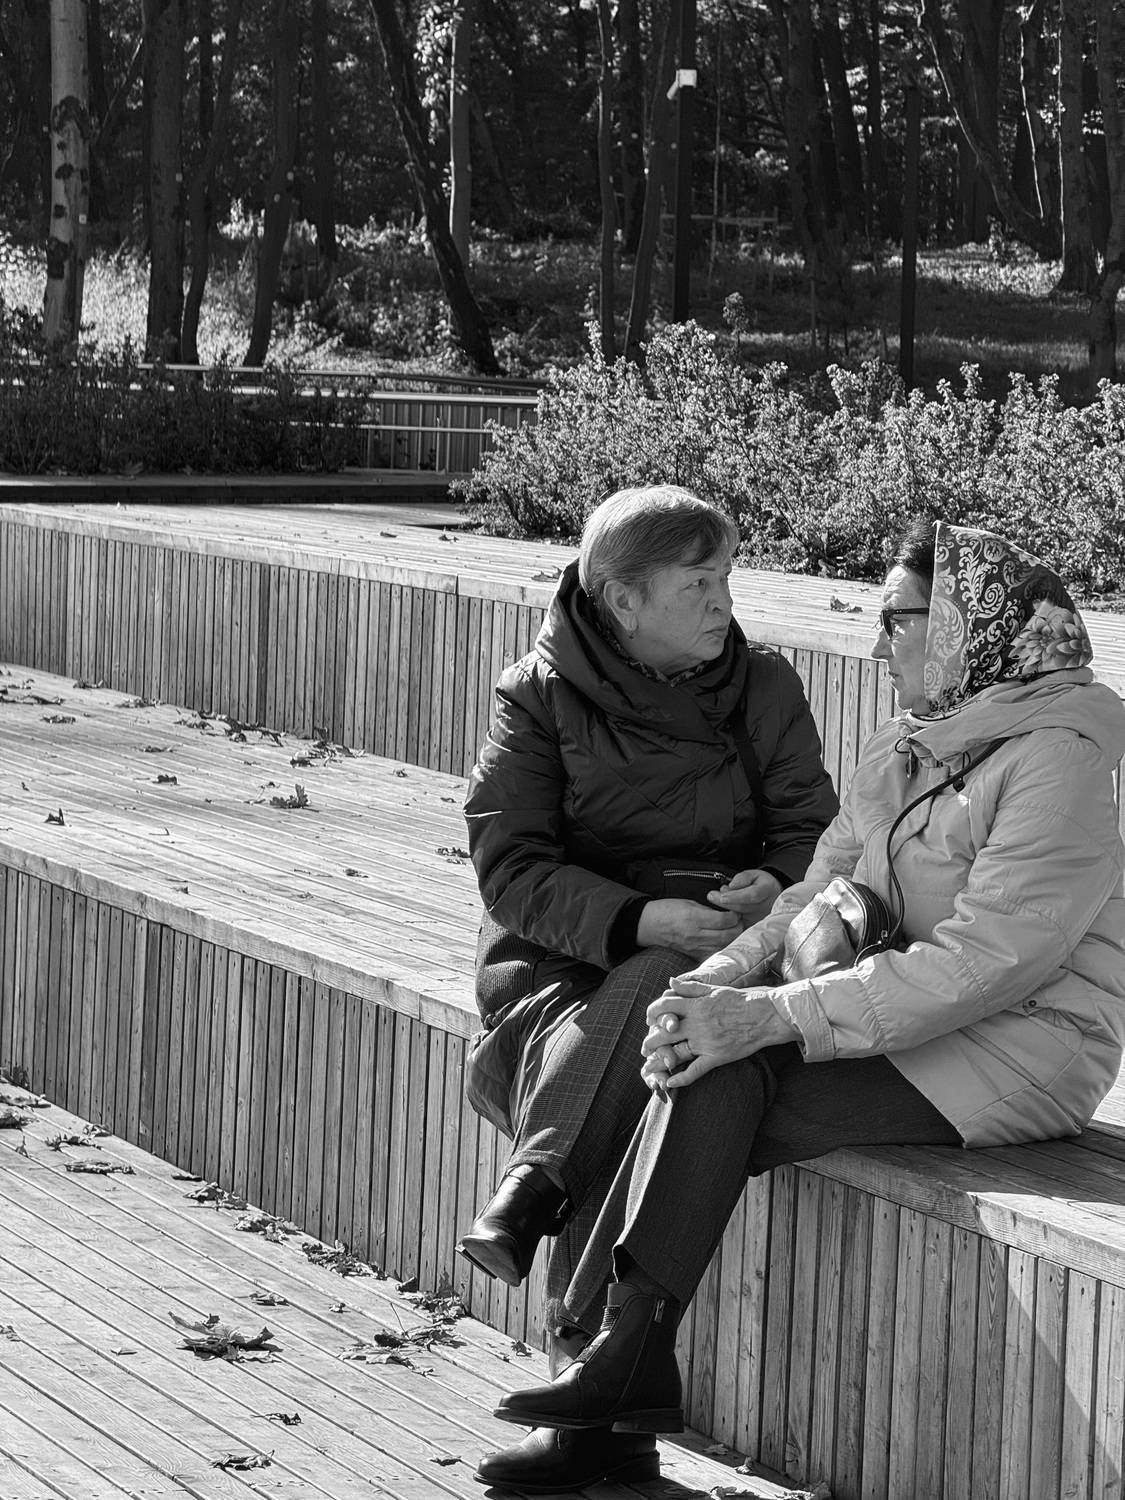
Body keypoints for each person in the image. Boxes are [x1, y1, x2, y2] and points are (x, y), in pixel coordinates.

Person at [483, 518, 1125, 1477]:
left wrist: (770, 1015)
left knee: (715, 1069)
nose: (876, 645)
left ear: (966, 624)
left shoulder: (1057, 759)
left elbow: (985, 964)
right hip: (900, 1015)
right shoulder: (909, 741)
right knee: (692, 1048)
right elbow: (808, 894)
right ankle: (613, 1374)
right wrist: (712, 986)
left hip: (1023, 1046)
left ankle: (607, 1378)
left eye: (897, 619)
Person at [459, 484, 839, 1491]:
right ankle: (600, 1413)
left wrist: (774, 885)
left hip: (730, 950)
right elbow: (513, 870)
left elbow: (815, 835)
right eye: (697, 584)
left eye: (725, 579)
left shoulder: (763, 685)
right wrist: (639, 918)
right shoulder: (535, 695)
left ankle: (540, 1193)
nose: (723, 602)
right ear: (623, 600)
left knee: (666, 1026)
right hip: (565, 960)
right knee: (656, 1011)